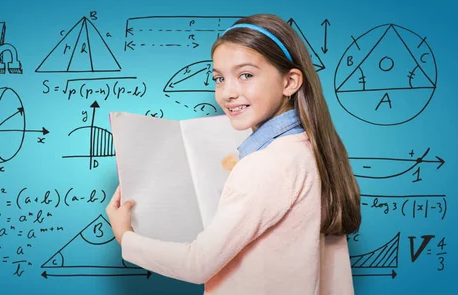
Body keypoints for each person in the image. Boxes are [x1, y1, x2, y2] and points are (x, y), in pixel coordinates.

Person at [106, 13, 361, 295]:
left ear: (290, 82)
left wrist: (126, 237)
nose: (227, 92)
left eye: (246, 75)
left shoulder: (265, 165)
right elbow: (335, 277)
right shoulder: (314, 150)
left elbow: (197, 264)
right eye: (219, 78)